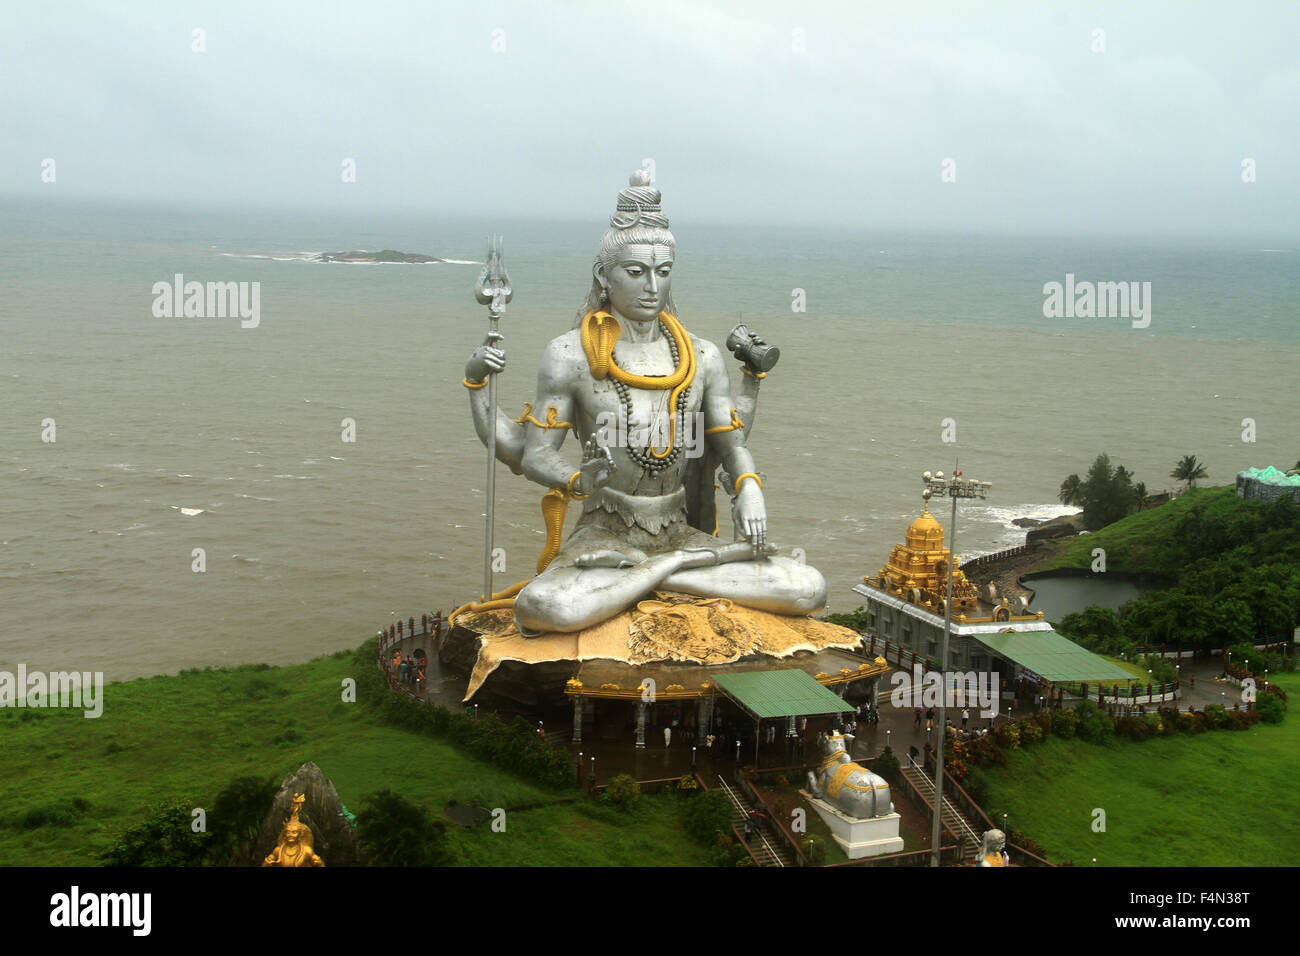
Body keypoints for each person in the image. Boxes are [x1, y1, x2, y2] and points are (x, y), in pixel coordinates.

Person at [463, 170, 828, 638]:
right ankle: (677, 573)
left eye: (663, 271)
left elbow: (730, 443)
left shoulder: (702, 356)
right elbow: (535, 454)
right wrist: (577, 478)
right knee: (543, 605)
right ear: (604, 274)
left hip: (678, 530)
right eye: (635, 272)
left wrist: (750, 486)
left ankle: (660, 571)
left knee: (805, 586)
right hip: (606, 532)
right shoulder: (569, 355)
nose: (652, 286)